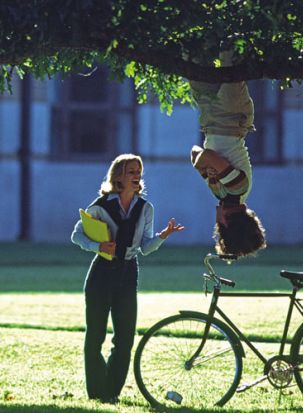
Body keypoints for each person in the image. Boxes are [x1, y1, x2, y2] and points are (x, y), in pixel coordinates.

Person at [71, 153, 183, 403]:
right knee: (95, 336)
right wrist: (98, 247)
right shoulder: (100, 205)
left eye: (139, 171)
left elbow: (145, 247)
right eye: (132, 170)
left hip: (128, 272)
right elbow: (77, 235)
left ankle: (111, 394)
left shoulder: (146, 208)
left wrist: (163, 235)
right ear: (119, 175)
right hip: (101, 272)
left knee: (124, 339)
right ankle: (97, 393)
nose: (137, 175)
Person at [189, 51, 266, 256]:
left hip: (211, 120)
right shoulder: (237, 188)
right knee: (230, 57)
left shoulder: (219, 192)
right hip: (232, 117)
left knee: (195, 58)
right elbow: (202, 157)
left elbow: (195, 152)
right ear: (225, 222)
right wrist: (203, 164)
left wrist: (203, 161)